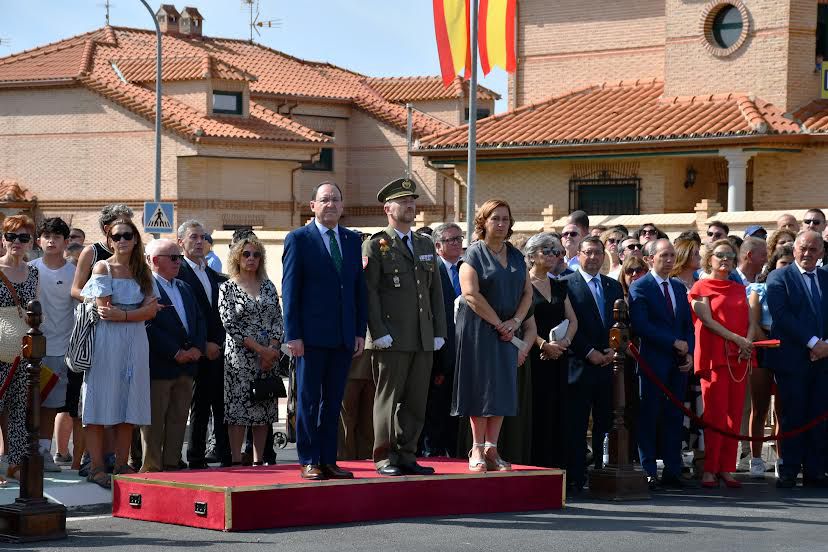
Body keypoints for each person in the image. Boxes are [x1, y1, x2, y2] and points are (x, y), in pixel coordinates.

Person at [282, 182, 367, 481]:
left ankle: (329, 459)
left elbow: (358, 289)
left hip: (343, 336)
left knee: (333, 402)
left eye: (335, 200)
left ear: (343, 206)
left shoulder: (352, 240)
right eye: (324, 200)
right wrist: (292, 335)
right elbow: (290, 290)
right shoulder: (298, 239)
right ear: (313, 206)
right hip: (310, 337)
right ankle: (309, 459)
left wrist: (359, 331)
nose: (330, 204)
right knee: (308, 400)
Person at [363, 177, 447, 477]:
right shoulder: (375, 245)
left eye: (413, 201)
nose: (411, 206)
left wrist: (439, 331)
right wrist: (378, 331)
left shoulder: (424, 243)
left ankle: (407, 453)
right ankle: (384, 456)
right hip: (391, 337)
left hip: (422, 336)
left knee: (415, 400)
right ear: (388, 208)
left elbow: (435, 290)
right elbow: (369, 292)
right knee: (388, 398)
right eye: (403, 201)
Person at [452, 199, 532, 473]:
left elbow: (527, 293)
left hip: (508, 329)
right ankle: (475, 448)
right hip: (479, 330)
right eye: (495, 218)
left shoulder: (517, 255)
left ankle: (492, 449)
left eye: (505, 219)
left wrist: (515, 322)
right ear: (483, 222)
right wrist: (500, 324)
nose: (501, 223)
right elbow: (470, 293)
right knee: (481, 389)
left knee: (502, 389)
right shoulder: (473, 253)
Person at [80, 219, 160, 488]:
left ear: (136, 239)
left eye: (127, 235)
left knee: (130, 399)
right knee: (100, 399)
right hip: (107, 341)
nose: (122, 240)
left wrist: (125, 314)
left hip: (136, 341)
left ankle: (122, 463)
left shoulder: (143, 270)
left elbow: (152, 310)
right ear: (109, 240)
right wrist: (135, 314)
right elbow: (105, 311)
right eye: (116, 237)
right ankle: (96, 466)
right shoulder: (103, 266)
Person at [629, 239, 694, 490]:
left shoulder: (678, 287)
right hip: (653, 362)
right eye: (664, 255)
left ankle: (673, 470)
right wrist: (673, 342)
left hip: (678, 363)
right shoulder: (640, 287)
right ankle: (647, 471)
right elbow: (642, 325)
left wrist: (689, 351)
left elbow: (687, 324)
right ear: (650, 259)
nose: (669, 260)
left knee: (674, 416)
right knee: (649, 416)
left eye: (671, 255)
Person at [689, 238, 753, 489]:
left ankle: (726, 467)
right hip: (715, 358)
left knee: (734, 416)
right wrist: (738, 339)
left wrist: (747, 342)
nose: (725, 259)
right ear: (709, 259)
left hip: (739, 358)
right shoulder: (700, 287)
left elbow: (750, 320)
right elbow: (706, 320)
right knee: (715, 416)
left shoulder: (739, 289)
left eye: (729, 256)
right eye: (719, 255)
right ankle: (709, 468)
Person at [562, 236, 624, 493]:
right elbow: (567, 326)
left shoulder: (613, 286)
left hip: (607, 365)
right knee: (576, 424)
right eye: (588, 252)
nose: (594, 257)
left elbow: (619, 322)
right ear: (578, 254)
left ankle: (601, 470)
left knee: (604, 422)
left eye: (598, 253)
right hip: (579, 364)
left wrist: (612, 350)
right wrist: (589, 352)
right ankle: (576, 476)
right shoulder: (566, 285)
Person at [767, 231, 828, 488]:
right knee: (793, 414)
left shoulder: (826, 277)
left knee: (819, 414)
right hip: (793, 360)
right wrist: (813, 343)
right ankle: (790, 469)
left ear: (821, 252)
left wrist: (826, 347)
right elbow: (782, 316)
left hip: (824, 361)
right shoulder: (779, 277)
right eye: (803, 248)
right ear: (794, 250)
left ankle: (815, 470)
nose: (807, 253)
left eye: (813, 249)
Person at [219, 236, 283, 466]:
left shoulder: (268, 286)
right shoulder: (227, 287)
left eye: (256, 255)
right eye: (246, 254)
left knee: (262, 409)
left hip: (268, 358)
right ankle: (236, 460)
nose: (251, 259)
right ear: (237, 257)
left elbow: (278, 319)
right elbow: (229, 323)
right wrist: (260, 350)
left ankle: (259, 460)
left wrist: (272, 349)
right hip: (239, 358)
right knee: (237, 411)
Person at [142, 239, 205, 473]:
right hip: (160, 365)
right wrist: (175, 352)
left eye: (179, 257)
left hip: (187, 366)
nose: (179, 262)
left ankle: (171, 462)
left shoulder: (183, 287)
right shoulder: (145, 288)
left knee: (179, 417)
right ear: (155, 261)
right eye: (174, 257)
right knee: (155, 420)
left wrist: (197, 347)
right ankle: (152, 467)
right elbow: (148, 326)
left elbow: (198, 319)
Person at [176, 220, 231, 469]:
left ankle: (224, 453)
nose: (199, 242)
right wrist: (203, 343)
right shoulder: (180, 273)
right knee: (199, 407)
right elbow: (187, 314)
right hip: (195, 350)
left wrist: (218, 342)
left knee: (221, 405)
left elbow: (218, 313)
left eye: (202, 237)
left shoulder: (212, 273)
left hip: (218, 349)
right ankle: (196, 457)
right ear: (181, 243)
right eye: (193, 237)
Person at [525, 233, 577, 468]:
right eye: (547, 251)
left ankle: (558, 468)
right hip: (534, 357)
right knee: (537, 413)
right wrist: (543, 345)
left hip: (558, 357)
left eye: (556, 252)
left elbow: (573, 320)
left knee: (558, 413)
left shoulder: (559, 284)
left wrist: (563, 343)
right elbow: (521, 322)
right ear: (531, 255)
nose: (553, 256)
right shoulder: (523, 285)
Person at [30, 217, 76, 473]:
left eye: (57, 237)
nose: (51, 240)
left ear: (66, 242)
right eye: (47, 236)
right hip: (31, 350)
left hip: (62, 350)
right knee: (24, 405)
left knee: (50, 407)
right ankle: (14, 455)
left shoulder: (74, 272)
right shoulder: (30, 269)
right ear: (39, 241)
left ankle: (44, 452)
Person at [745, 245, 793, 479]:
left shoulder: (796, 289)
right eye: (783, 263)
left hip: (788, 351)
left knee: (783, 409)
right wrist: (771, 343)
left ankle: (781, 457)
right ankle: (756, 458)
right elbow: (753, 324)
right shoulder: (758, 288)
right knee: (760, 407)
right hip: (764, 349)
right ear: (773, 265)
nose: (786, 268)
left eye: (789, 264)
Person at [0, 216, 39, 484]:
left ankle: (15, 462)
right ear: (3, 239)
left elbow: (35, 310)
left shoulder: (33, 272)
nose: (17, 242)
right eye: (11, 236)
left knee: (17, 410)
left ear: (31, 242)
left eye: (23, 238)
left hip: (22, 356)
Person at [419, 222, 463, 458]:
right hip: (438, 351)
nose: (457, 243)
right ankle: (431, 450)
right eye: (450, 240)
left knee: (456, 410)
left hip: (464, 351)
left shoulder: (467, 269)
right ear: (437, 246)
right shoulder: (431, 270)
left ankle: (453, 450)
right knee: (435, 407)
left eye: (459, 238)